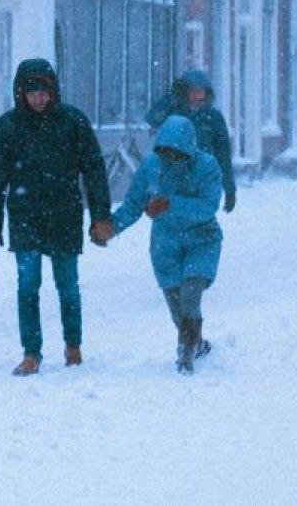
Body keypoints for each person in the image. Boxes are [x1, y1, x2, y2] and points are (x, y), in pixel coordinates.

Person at [0, 58, 112, 376]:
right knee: (28, 286)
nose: (39, 98)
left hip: (64, 216)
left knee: (67, 285)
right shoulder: (8, 128)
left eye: (44, 92)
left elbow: (94, 171)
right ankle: (31, 353)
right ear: (21, 93)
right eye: (32, 92)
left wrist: (100, 216)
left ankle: (73, 347)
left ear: (54, 91)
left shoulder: (73, 123)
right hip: (25, 219)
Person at [92, 115, 222, 375]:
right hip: (166, 245)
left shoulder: (207, 167)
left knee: (190, 294)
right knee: (176, 306)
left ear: (187, 148)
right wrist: (112, 227)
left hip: (201, 240)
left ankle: (185, 353)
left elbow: (207, 207)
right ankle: (195, 342)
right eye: (165, 152)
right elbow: (133, 205)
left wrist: (171, 204)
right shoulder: (152, 166)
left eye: (176, 153)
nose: (170, 158)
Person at [145, 70, 236, 213]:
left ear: (207, 93)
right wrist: (171, 97)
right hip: (172, 183)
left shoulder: (214, 118)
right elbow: (152, 117)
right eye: (191, 92)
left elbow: (223, 155)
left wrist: (229, 188)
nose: (196, 97)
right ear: (184, 93)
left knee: (200, 224)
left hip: (202, 182)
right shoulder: (173, 112)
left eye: (200, 92)